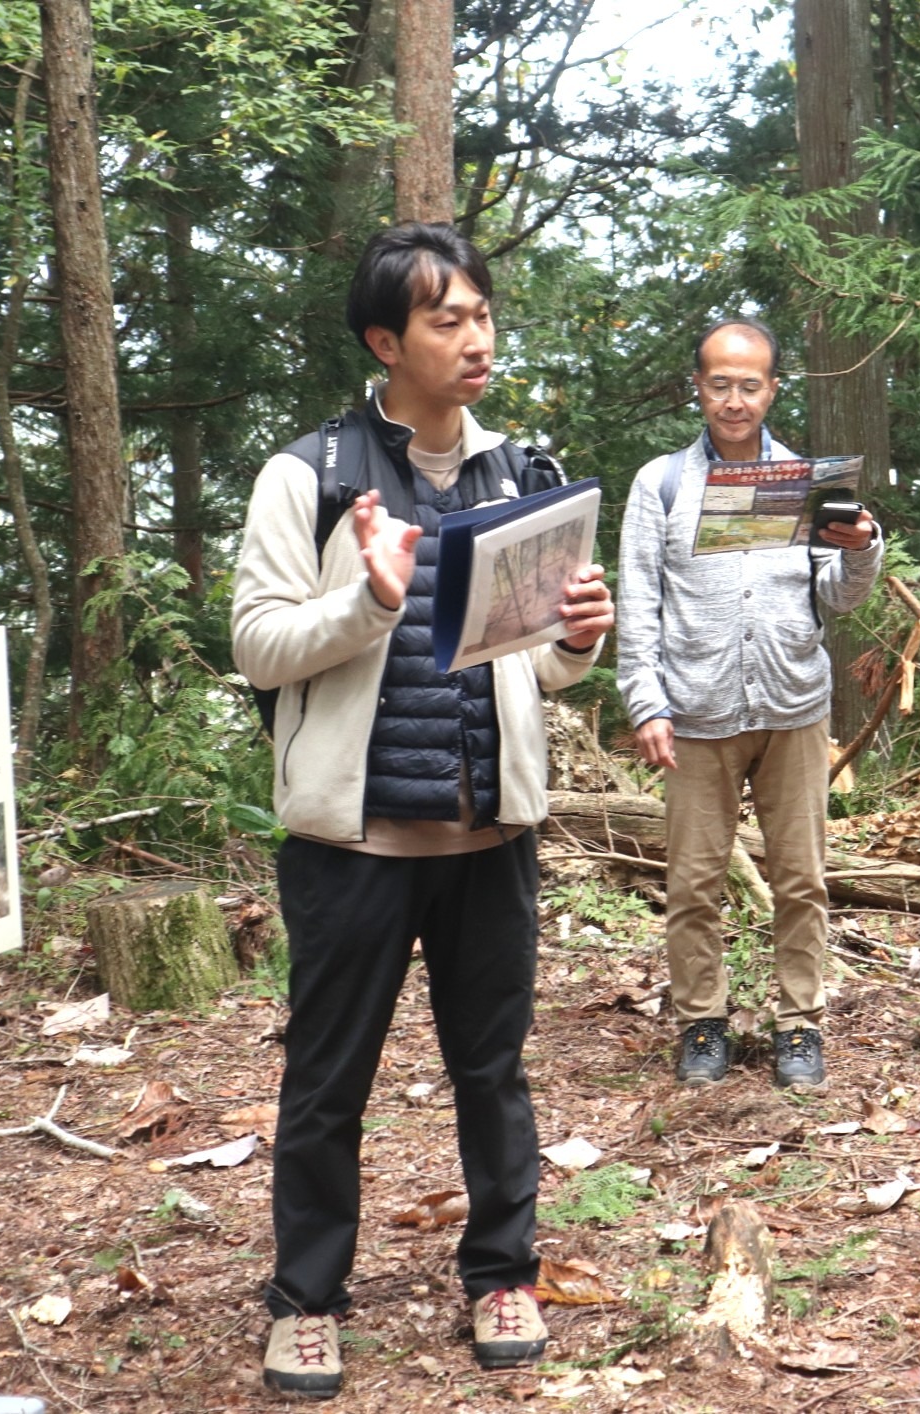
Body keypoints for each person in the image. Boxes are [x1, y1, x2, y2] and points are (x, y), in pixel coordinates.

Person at [233, 223, 614, 1397]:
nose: (475, 338)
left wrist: (578, 642)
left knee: (491, 1068)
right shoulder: (310, 475)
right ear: (383, 341)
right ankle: (306, 1298)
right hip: (353, 840)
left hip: (488, 829)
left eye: (482, 315)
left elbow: (530, 665)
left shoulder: (524, 475)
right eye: (446, 319)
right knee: (328, 1075)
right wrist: (367, 599)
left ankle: (502, 1270)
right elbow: (257, 646)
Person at [615, 318, 883, 1090]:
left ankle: (799, 1025)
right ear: (698, 387)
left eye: (750, 385)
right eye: (720, 384)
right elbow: (640, 600)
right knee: (693, 883)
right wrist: (646, 703)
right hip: (696, 712)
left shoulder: (806, 478)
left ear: (771, 389)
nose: (735, 401)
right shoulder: (660, 483)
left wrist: (862, 547)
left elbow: (836, 595)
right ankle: (703, 1022)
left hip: (792, 706)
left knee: (802, 878)